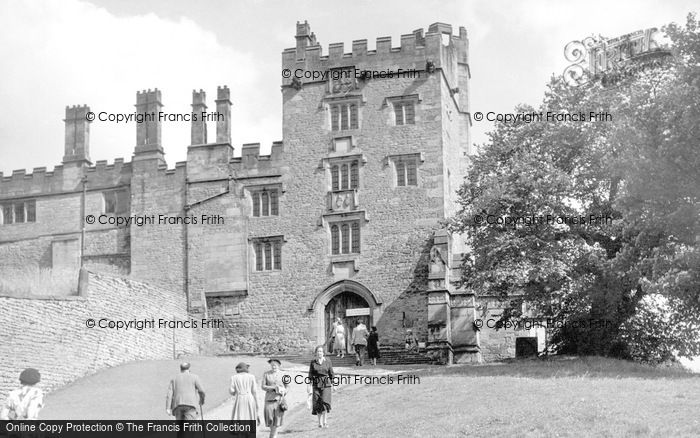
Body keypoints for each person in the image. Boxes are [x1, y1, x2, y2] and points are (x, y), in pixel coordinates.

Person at [308, 345, 334, 428]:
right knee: (317, 403)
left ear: (323, 353)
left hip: (326, 383)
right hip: (316, 384)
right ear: (316, 353)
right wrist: (309, 385)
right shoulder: (313, 362)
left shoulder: (328, 361)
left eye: (321, 351)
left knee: (325, 402)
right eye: (318, 351)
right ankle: (319, 423)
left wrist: (334, 384)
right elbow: (310, 374)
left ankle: (325, 421)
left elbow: (331, 373)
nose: (319, 353)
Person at [261, 359, 288, 438]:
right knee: (270, 422)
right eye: (272, 365)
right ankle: (273, 435)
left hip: (279, 401)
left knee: (276, 423)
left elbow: (288, 386)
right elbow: (263, 386)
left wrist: (285, 391)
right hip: (269, 401)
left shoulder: (284, 374)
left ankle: (273, 436)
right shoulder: (266, 374)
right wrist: (274, 388)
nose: (273, 366)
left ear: (279, 366)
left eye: (275, 365)